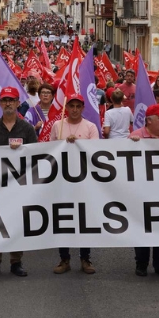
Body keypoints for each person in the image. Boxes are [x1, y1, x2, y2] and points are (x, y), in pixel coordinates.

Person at [0, 87, 37, 277]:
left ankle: (16, 261)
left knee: (16, 222)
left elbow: (36, 155)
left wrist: (23, 149)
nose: (8, 104)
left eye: (11, 100)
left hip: (20, 184)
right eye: (5, 100)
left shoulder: (27, 128)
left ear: (17, 103)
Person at [50, 94, 99, 275]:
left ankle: (85, 258)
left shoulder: (90, 127)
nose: (75, 109)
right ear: (67, 107)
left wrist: (77, 143)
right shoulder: (58, 125)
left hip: (84, 180)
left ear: (83, 108)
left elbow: (95, 152)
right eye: (72, 106)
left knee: (84, 220)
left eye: (78, 106)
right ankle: (64, 258)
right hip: (62, 180)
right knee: (63, 219)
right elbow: (50, 150)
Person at [129, 104, 159, 278]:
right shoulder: (135, 137)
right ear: (149, 121)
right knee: (142, 228)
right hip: (141, 193)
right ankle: (141, 263)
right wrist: (130, 146)